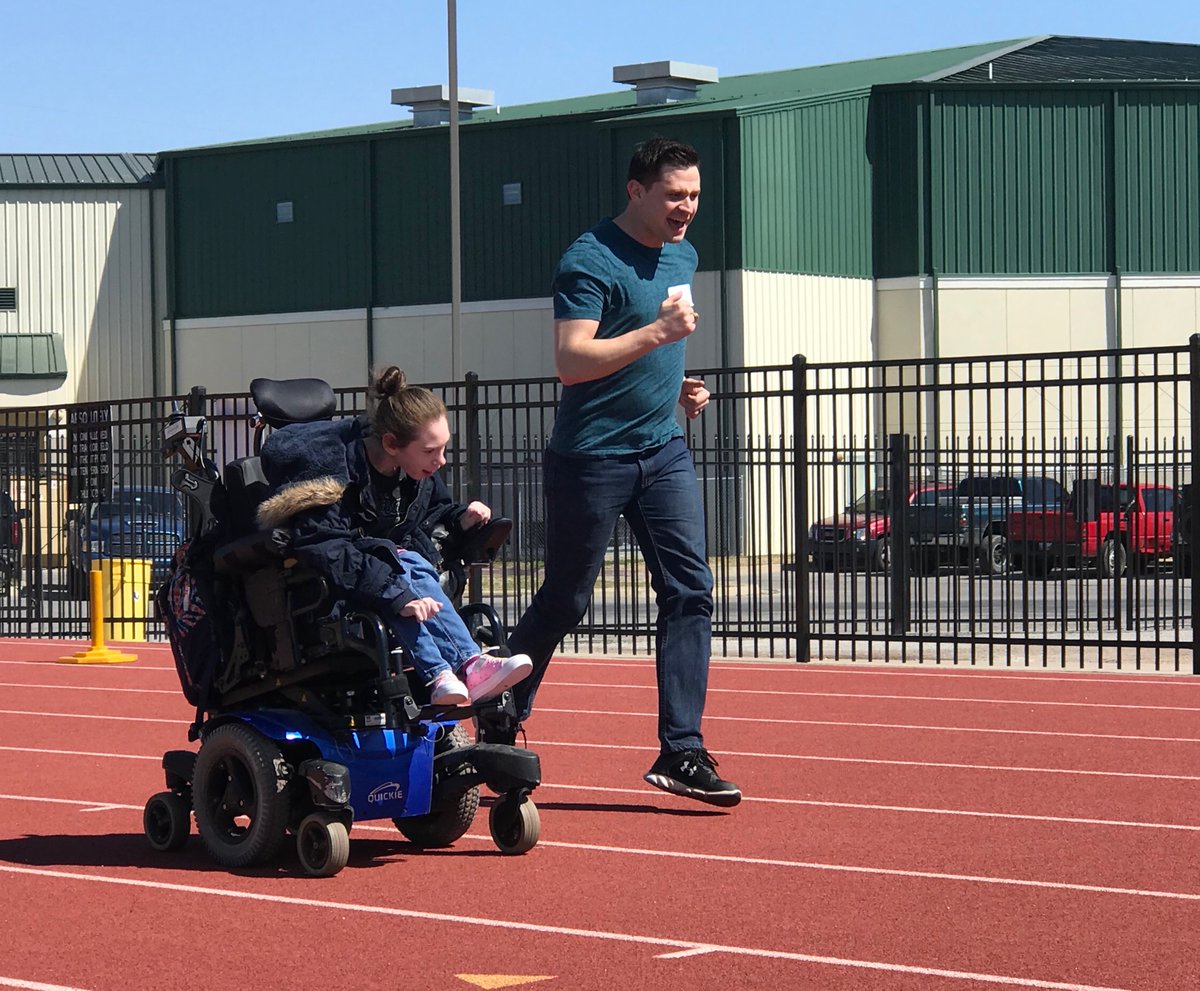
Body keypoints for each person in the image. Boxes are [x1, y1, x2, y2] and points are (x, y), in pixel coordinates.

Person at [499, 137, 741, 808]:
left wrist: (679, 388)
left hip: (663, 449)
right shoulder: (589, 259)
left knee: (691, 589)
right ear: (636, 192)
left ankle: (682, 749)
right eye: (673, 195)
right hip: (592, 457)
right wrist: (659, 338)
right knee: (566, 599)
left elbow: (652, 341)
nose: (686, 207)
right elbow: (573, 360)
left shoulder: (683, 253)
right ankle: (501, 714)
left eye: (693, 195)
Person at [255, 366, 532, 706]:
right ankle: (445, 671)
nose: (441, 460)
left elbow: (430, 514)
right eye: (431, 451)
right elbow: (325, 546)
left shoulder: (415, 471)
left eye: (444, 448)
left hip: (390, 568)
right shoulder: (328, 476)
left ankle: (466, 665)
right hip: (338, 583)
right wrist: (395, 594)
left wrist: (463, 518)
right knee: (401, 564)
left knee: (407, 560)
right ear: (390, 443)